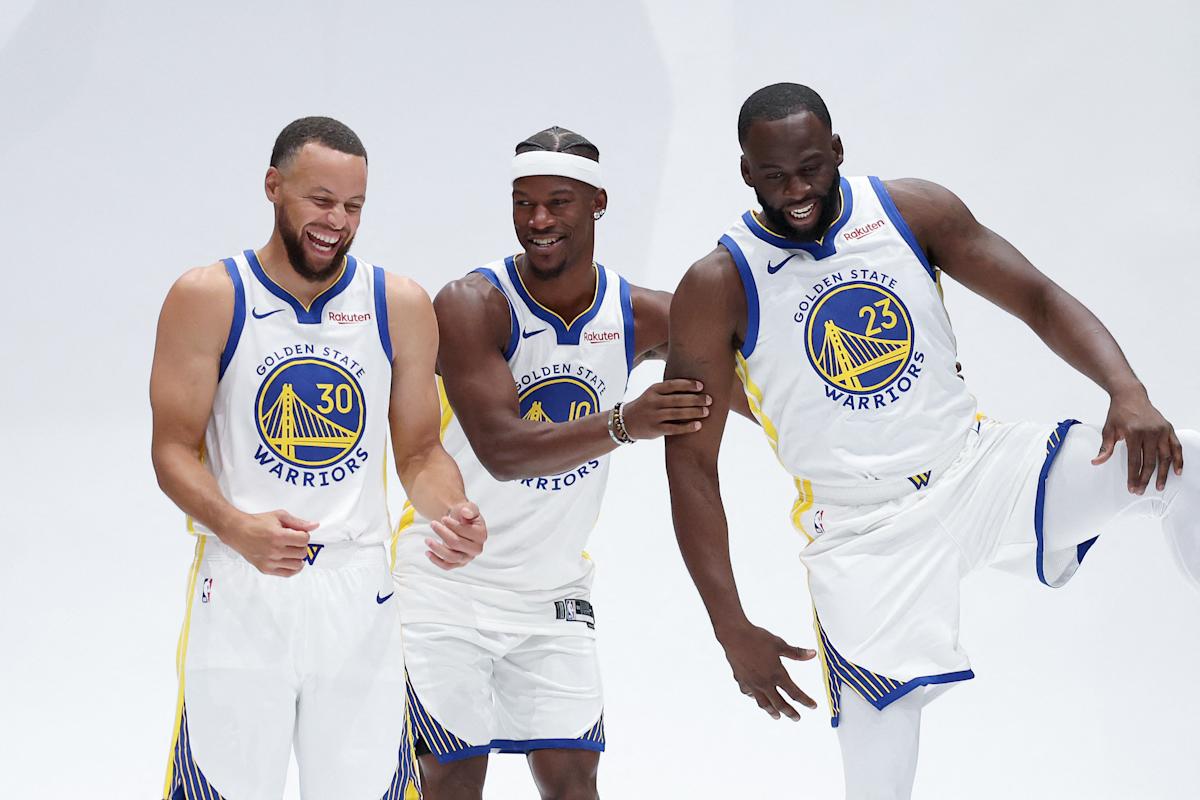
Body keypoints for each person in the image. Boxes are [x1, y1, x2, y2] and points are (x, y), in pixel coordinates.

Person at [663, 83, 1200, 799]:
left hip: (977, 469)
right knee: (877, 783)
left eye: (811, 168)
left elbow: (1037, 297)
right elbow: (691, 465)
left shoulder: (911, 212)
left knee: (1185, 461)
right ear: (744, 172)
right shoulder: (718, 283)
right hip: (864, 533)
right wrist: (730, 626)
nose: (795, 191)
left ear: (838, 151)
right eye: (774, 175)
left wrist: (1125, 389)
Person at [150, 116, 487, 800]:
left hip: (357, 591)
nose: (338, 221)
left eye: (354, 205)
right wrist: (235, 526)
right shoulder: (209, 296)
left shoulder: (398, 303)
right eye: (322, 200)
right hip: (243, 581)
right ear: (273, 186)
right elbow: (171, 450)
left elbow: (420, 453)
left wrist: (452, 511)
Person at [390, 126, 720, 800]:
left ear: (598, 203)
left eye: (557, 202)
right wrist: (627, 422)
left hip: (553, 594)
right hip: (447, 586)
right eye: (524, 203)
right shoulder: (472, 304)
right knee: (451, 778)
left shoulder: (635, 313)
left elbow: (754, 375)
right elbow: (504, 451)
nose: (537, 220)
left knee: (574, 781)